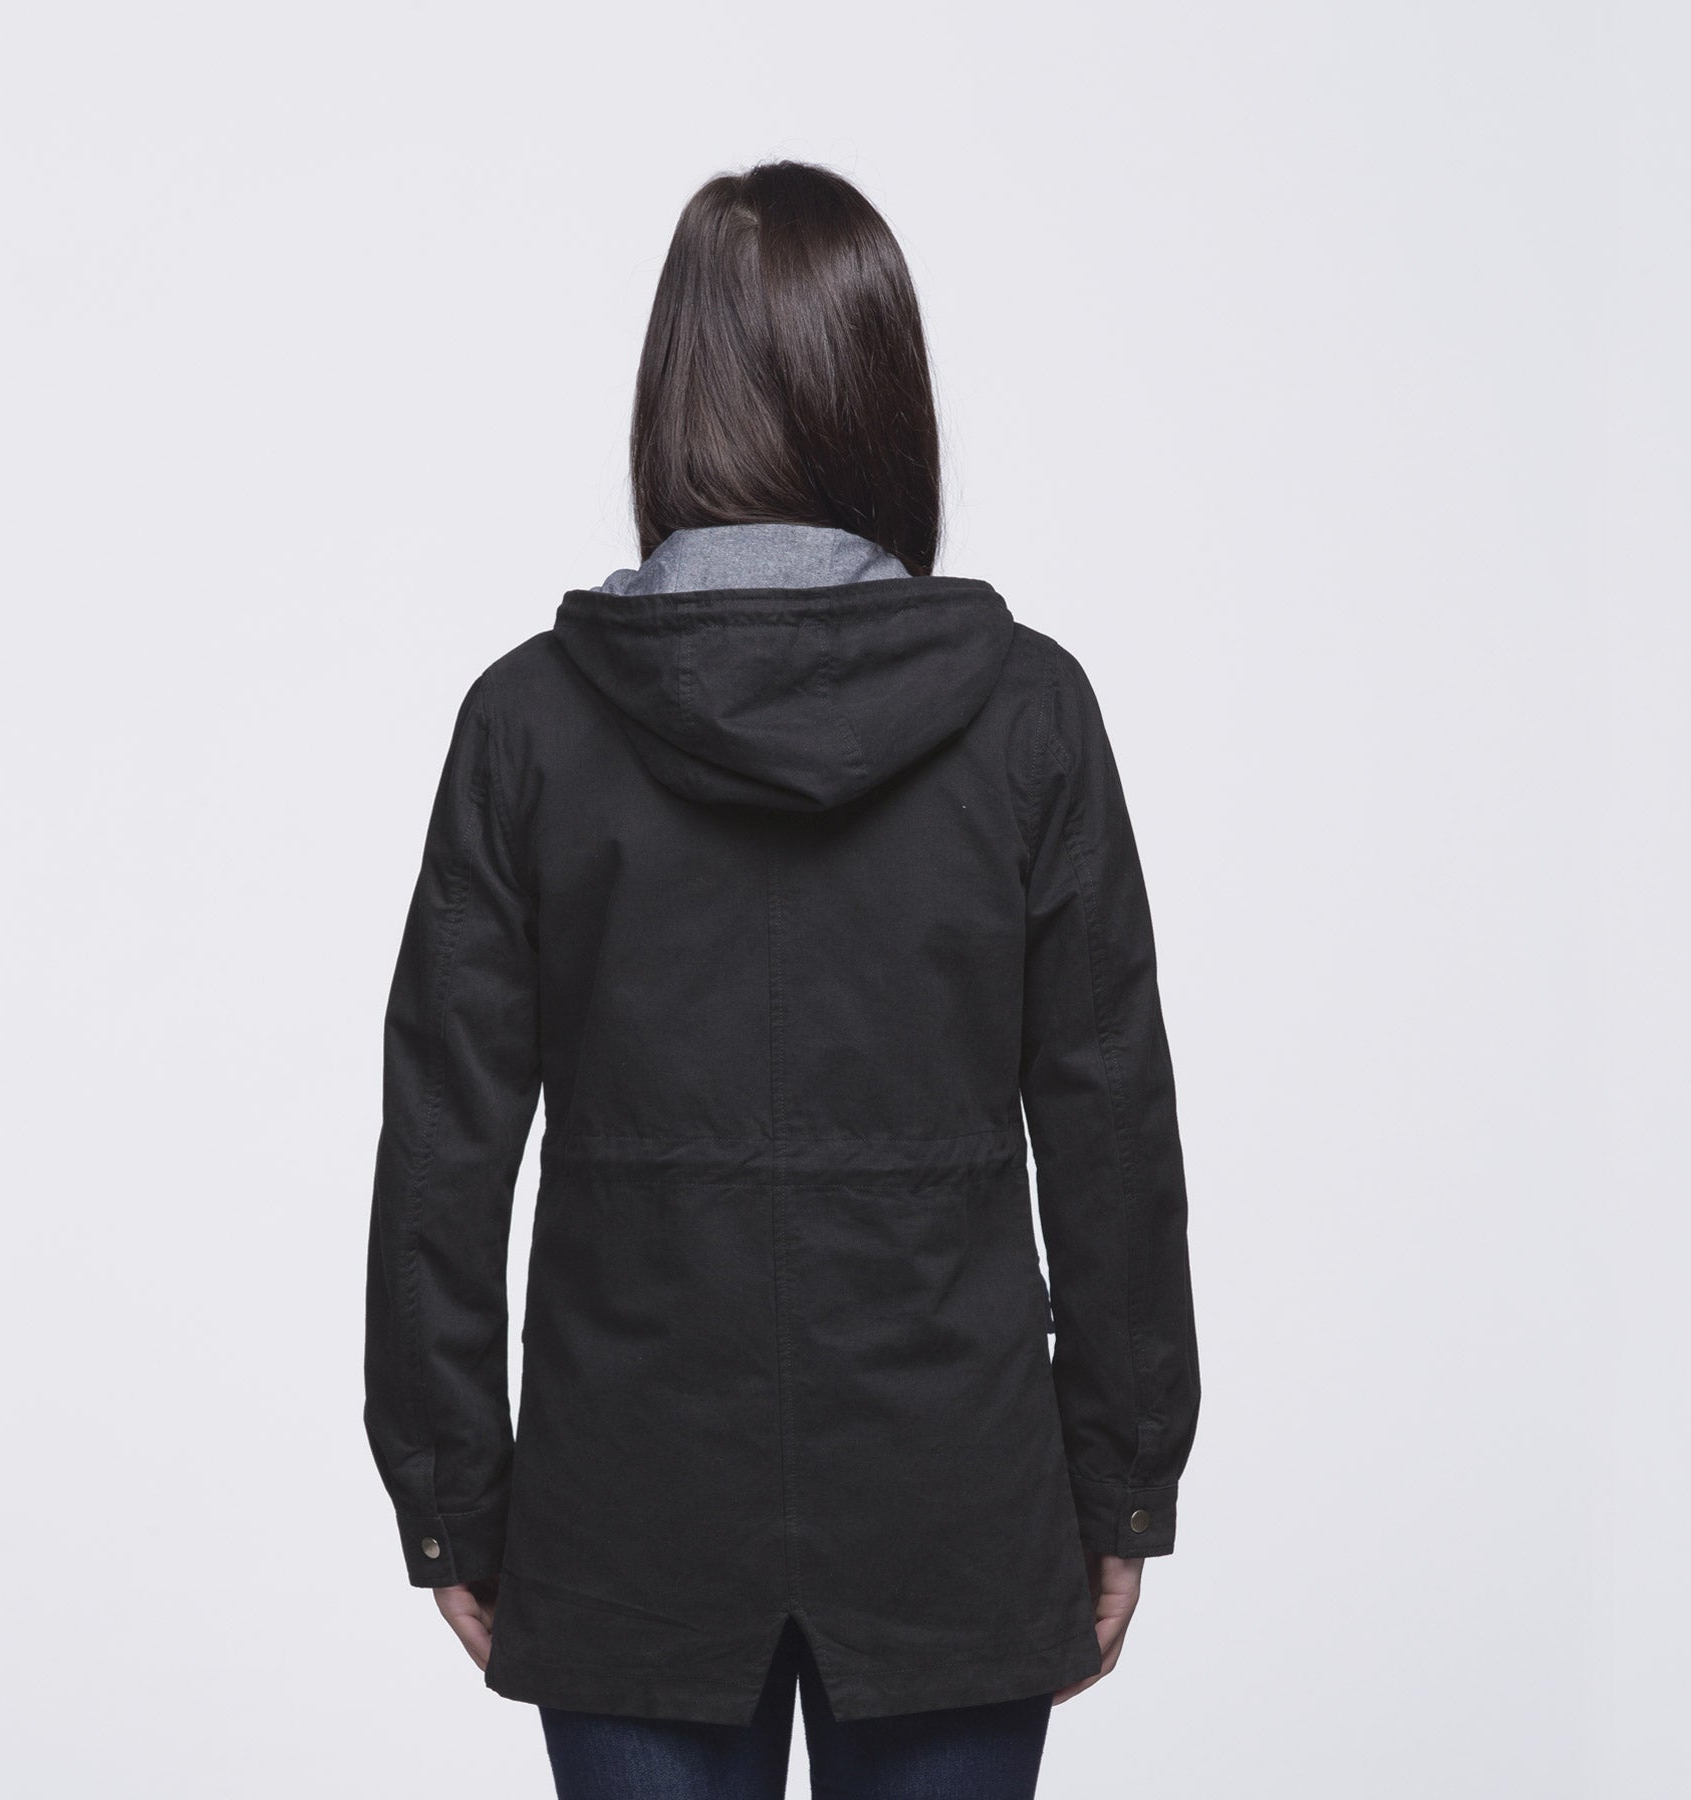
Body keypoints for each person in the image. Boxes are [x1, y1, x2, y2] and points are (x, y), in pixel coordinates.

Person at [364, 160, 1199, 1800]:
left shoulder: (530, 725)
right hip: (954, 1499)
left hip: (626, 1509)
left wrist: (452, 1495)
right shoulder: (1029, 718)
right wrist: (1122, 1482)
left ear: (669, 398)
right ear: (887, 398)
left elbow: (443, 1150)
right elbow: (1112, 1132)